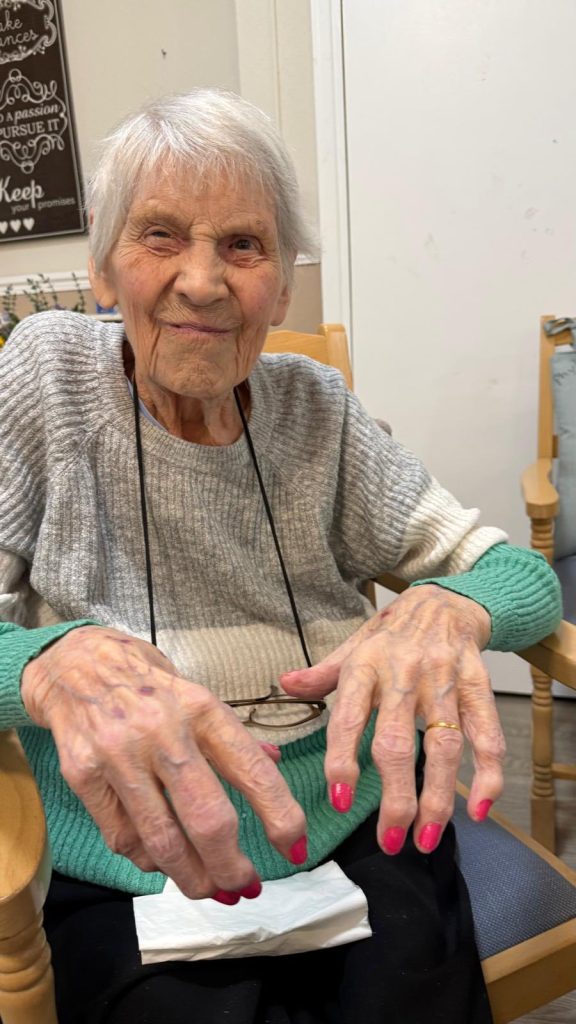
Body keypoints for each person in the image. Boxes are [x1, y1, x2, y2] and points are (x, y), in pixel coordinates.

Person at [0, 89, 561, 1024]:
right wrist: (46, 661)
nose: (204, 281)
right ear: (104, 267)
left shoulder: (316, 408)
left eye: (244, 246)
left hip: (356, 813)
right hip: (128, 844)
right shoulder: (44, 377)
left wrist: (446, 607)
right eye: (162, 236)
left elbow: (520, 574)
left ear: (283, 285)